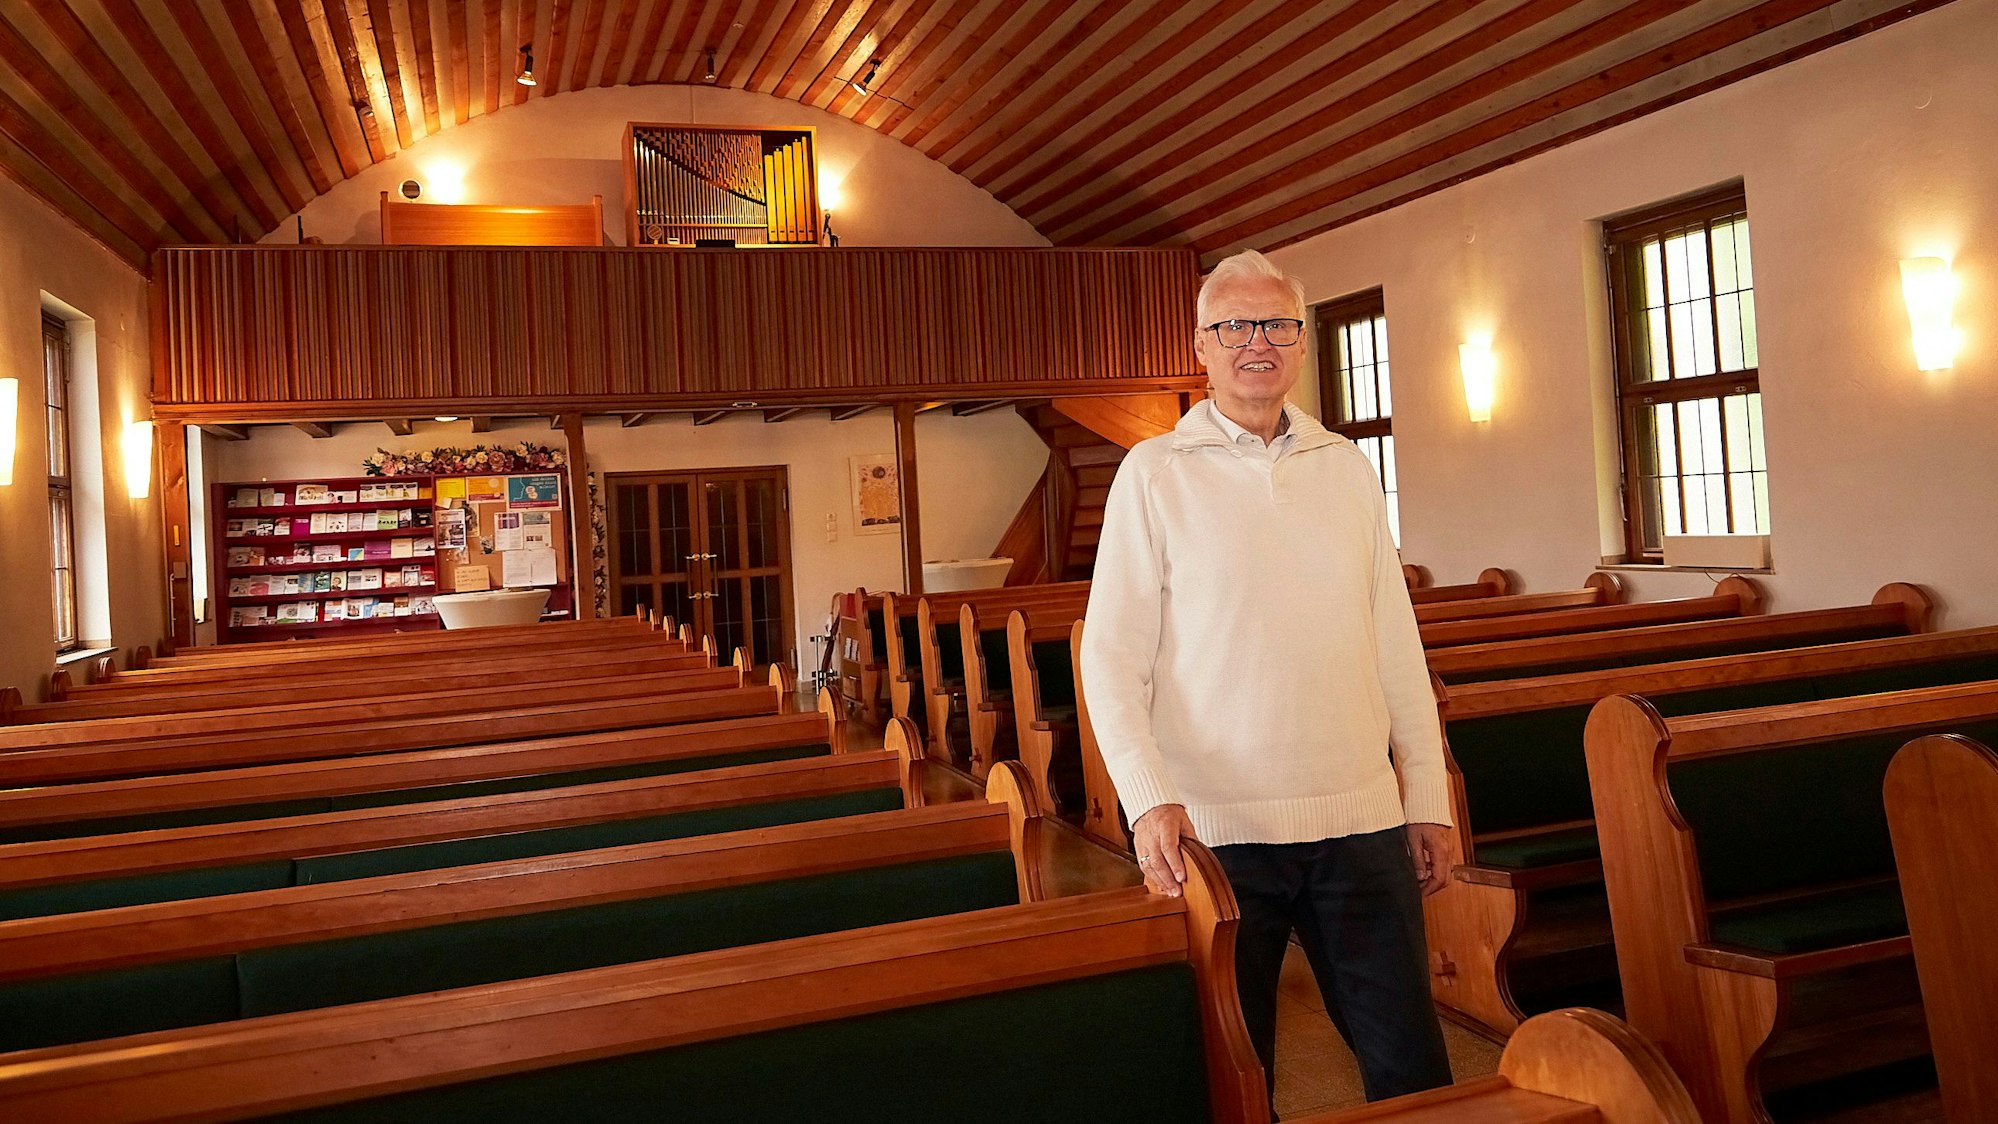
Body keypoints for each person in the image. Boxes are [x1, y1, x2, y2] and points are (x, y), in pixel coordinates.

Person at [1079, 249, 1455, 1107]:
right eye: (1234, 326)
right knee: (1236, 1079)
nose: (1258, 342)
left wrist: (1424, 794)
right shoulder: (1153, 474)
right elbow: (1112, 656)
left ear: (1299, 343)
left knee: (1413, 1072)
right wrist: (1148, 803)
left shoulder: (1347, 468)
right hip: (1216, 832)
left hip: (1360, 820)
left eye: (1278, 325)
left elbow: (1395, 641)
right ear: (1202, 348)